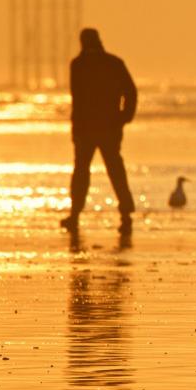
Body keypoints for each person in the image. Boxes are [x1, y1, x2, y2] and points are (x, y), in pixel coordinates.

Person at [60, 28, 137, 235]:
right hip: (109, 127)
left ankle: (75, 215)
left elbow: (77, 99)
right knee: (115, 171)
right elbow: (130, 91)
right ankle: (126, 214)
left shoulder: (78, 65)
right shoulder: (113, 63)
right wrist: (124, 116)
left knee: (82, 173)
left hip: (86, 129)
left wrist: (75, 128)